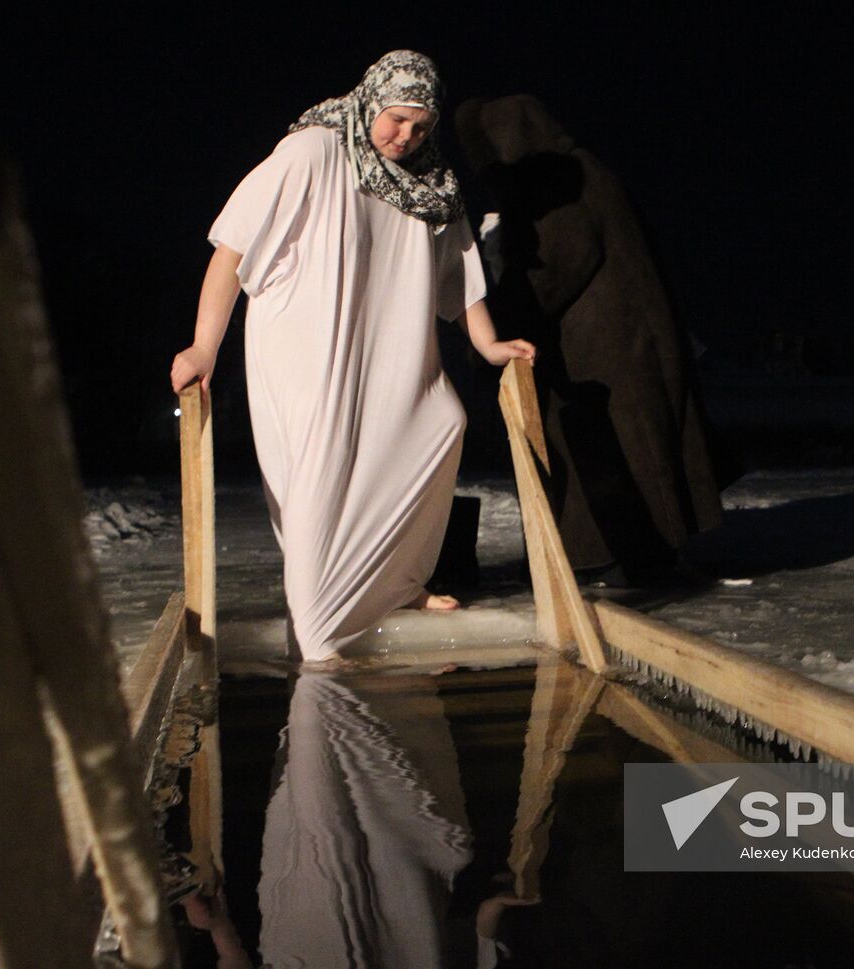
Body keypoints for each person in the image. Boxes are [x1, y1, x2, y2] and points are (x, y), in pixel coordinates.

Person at [171, 51, 534, 664]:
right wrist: (206, 343)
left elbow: (461, 276)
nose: (405, 137)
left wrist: (488, 344)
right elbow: (232, 249)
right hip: (311, 346)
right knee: (324, 472)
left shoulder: (433, 181)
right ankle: (317, 632)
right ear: (371, 102)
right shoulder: (313, 151)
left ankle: (395, 586)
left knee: (439, 424)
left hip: (392, 344)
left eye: (421, 126)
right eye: (396, 120)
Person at [455, 95, 730, 587]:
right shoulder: (583, 171)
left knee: (614, 448)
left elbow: (556, 269)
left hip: (606, 348)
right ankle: (632, 554)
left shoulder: (559, 183)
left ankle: (623, 558)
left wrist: (492, 331)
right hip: (618, 341)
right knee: (628, 446)